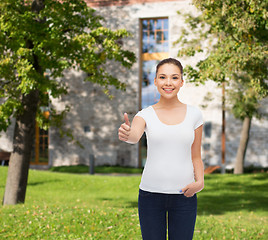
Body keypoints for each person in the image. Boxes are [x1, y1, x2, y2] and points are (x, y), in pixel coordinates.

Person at [118, 58, 204, 240]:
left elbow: (196, 155)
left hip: (185, 196)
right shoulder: (145, 114)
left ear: (181, 82)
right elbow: (134, 136)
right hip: (150, 196)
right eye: (163, 77)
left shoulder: (195, 115)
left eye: (174, 77)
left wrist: (200, 182)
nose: (168, 83)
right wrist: (128, 134)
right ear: (155, 81)